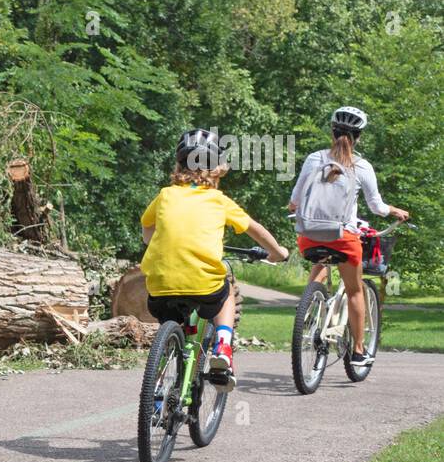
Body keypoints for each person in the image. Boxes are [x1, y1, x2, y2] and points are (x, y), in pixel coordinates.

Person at [141, 129, 289, 390]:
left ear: (178, 165)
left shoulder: (165, 195)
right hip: (203, 286)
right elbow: (256, 230)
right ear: (217, 169)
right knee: (227, 291)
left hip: (159, 287)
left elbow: (147, 236)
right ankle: (223, 344)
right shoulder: (219, 200)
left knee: (170, 324)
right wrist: (278, 253)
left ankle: (157, 387)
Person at [288, 107, 410, 369]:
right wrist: (394, 211)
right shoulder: (361, 166)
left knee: (320, 262)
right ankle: (357, 350)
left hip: (307, 236)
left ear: (332, 132)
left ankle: (308, 310)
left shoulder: (313, 159)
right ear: (359, 137)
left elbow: (294, 202)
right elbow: (377, 206)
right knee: (355, 290)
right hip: (344, 238)